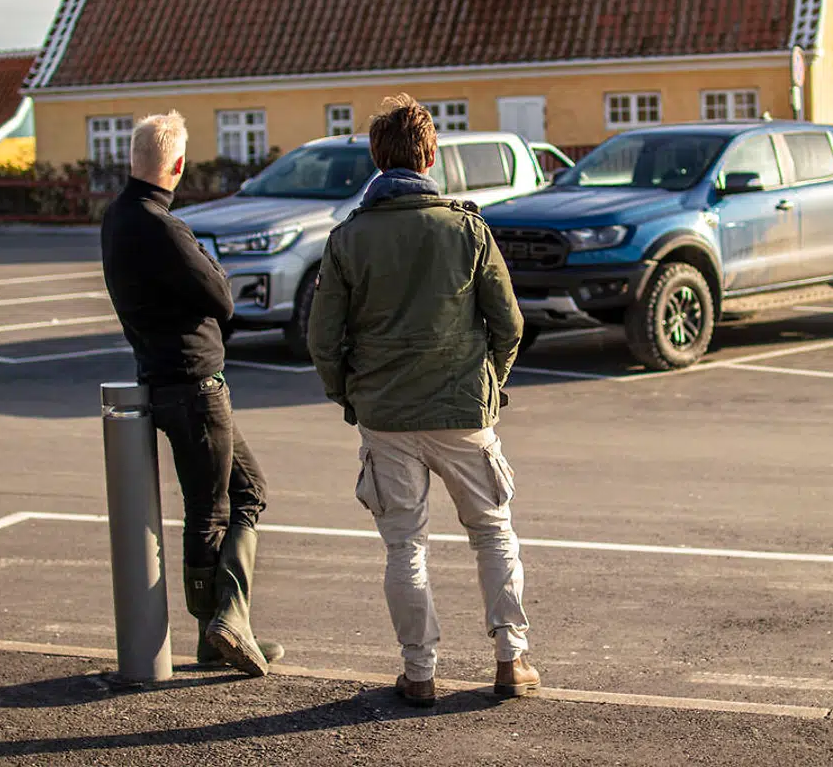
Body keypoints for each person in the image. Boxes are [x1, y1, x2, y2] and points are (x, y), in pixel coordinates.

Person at [307, 95, 537, 707]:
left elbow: (323, 337)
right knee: (493, 533)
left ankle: (420, 672)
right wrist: (490, 383)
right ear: (430, 156)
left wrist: (348, 396)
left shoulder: (348, 238)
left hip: (386, 415)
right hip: (464, 410)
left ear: (379, 159)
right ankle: (512, 660)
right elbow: (508, 323)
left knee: (405, 547)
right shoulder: (468, 230)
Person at [100, 110, 282, 675]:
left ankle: (228, 622)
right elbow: (223, 298)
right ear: (178, 165)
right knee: (212, 510)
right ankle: (219, 629)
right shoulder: (165, 227)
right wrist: (209, 261)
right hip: (196, 385)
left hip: (157, 377)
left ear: (133, 159)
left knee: (245, 489)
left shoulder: (116, 219)